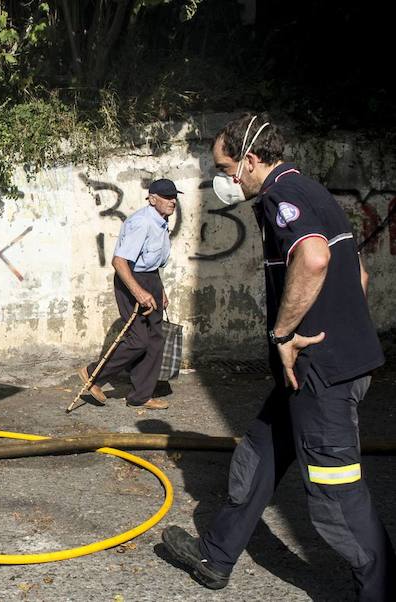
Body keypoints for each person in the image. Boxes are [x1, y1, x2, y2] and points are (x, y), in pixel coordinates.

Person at [161, 114, 395, 600]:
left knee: (336, 497)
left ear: (250, 160)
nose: (226, 180)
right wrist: (339, 328)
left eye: (227, 168)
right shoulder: (313, 191)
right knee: (259, 456)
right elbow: (360, 276)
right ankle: (216, 557)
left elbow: (313, 258)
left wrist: (286, 332)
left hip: (319, 373)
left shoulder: (280, 197)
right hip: (314, 370)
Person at [77, 178, 179, 410]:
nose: (173, 201)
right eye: (167, 197)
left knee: (155, 339)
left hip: (149, 278)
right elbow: (119, 261)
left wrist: (158, 289)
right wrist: (139, 292)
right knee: (138, 340)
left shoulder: (161, 222)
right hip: (130, 279)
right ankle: (93, 374)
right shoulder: (141, 222)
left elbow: (151, 263)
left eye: (174, 197)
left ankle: (141, 396)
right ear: (153, 199)